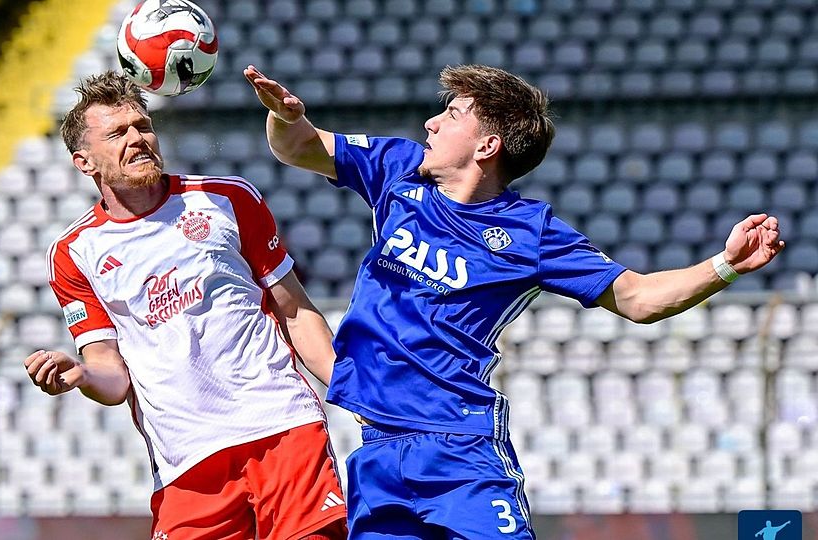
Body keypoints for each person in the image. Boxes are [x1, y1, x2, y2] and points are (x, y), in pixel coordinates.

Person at [244, 63, 785, 539]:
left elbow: (639, 298)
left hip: (459, 446)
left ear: (487, 146)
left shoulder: (531, 231)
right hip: (378, 452)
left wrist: (726, 265)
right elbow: (298, 147)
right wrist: (286, 117)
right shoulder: (398, 169)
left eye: (452, 114)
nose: (431, 123)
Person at [24, 71, 347, 540]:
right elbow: (112, 377)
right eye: (117, 133)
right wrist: (80, 375)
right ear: (84, 162)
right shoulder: (74, 252)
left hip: (281, 427)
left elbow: (294, 311)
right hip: (186, 459)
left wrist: (354, 392)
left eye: (143, 126)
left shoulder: (227, 199)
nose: (137, 139)